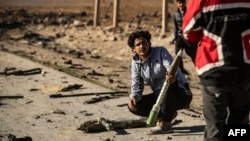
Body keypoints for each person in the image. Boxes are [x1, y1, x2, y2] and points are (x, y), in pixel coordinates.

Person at [182, 0, 250, 141]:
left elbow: (189, 33)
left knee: (215, 129)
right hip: (244, 70)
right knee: (239, 127)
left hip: (213, 70)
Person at [127, 30, 193, 134]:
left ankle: (165, 124)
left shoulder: (160, 51)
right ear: (133, 49)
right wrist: (134, 96)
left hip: (180, 93)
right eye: (138, 44)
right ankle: (169, 114)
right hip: (160, 96)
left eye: (144, 43)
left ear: (149, 44)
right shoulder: (136, 63)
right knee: (134, 106)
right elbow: (136, 85)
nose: (141, 46)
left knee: (168, 83)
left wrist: (171, 75)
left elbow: (171, 68)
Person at [170, 0, 194, 74]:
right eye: (179, 3)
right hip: (179, 37)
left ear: (185, 3)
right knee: (178, 55)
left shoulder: (190, 12)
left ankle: (198, 68)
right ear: (177, 4)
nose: (181, 4)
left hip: (188, 37)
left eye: (182, 2)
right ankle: (181, 71)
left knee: (192, 53)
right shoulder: (175, 14)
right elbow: (176, 28)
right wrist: (175, 38)